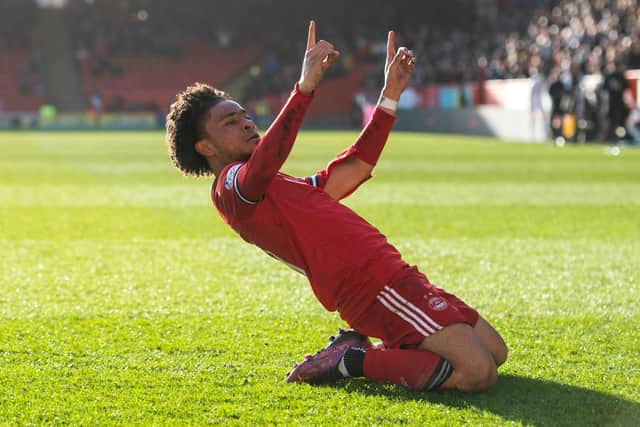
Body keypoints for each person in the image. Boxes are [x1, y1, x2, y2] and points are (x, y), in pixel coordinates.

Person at [165, 21, 507, 392]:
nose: (247, 123)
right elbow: (265, 163)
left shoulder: (279, 186)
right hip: (370, 286)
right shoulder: (230, 187)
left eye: (244, 115)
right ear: (206, 147)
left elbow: (354, 168)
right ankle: (350, 360)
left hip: (393, 273)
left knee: (495, 352)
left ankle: (374, 348)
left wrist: (389, 96)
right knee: (477, 372)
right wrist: (305, 87)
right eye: (230, 122)